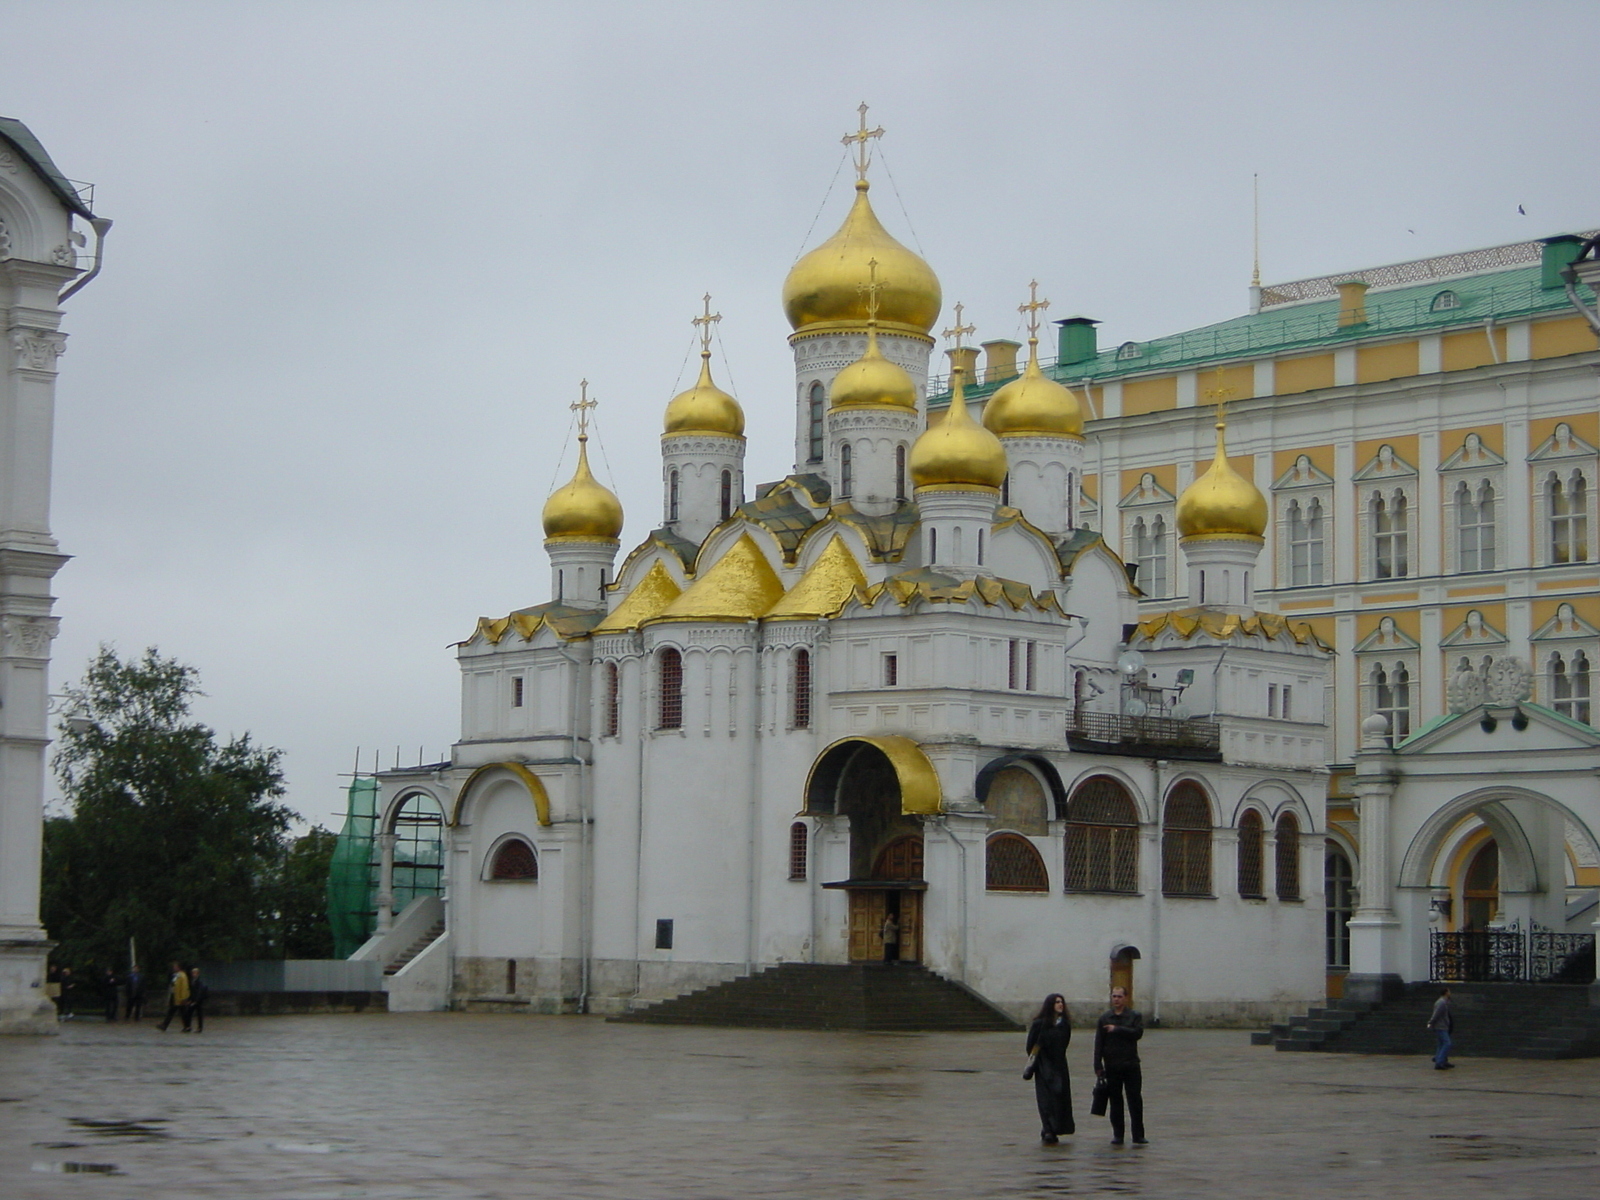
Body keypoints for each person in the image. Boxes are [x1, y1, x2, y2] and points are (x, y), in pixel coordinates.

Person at [1093, 985, 1146, 1146]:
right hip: (1112, 1065)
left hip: (1131, 1064)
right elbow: (1099, 1043)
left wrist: (1117, 1029)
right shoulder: (1105, 1018)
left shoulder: (1134, 1016)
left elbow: (1137, 1033)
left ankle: (1138, 1135)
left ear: (1125, 998)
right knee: (1115, 1102)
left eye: (1119, 996)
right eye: (1114, 996)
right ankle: (1118, 1135)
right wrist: (1098, 1065)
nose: (1116, 999)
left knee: (1135, 1100)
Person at [1025, 993, 1074, 1144]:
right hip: (1043, 1065)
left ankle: (1056, 1126)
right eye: (1057, 1002)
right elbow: (1031, 1046)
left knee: (1059, 1096)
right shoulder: (1039, 1024)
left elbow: (1064, 1044)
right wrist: (1039, 1062)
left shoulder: (1064, 1024)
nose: (1060, 1005)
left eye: (1062, 1002)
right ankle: (1048, 1129)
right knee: (1046, 1099)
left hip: (1059, 1065)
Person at [157, 962, 190, 1032]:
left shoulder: (182, 976)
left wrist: (183, 998)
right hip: (175, 996)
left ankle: (187, 1026)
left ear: (179, 967)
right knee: (175, 1012)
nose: (174, 968)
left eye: (175, 966)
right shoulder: (176, 975)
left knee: (180, 1012)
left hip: (179, 998)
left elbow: (184, 988)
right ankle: (165, 1025)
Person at [1428, 986, 1454, 1069]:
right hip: (1440, 1026)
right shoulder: (1441, 1002)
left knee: (1441, 1044)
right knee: (1447, 1043)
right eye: (1449, 991)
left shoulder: (1444, 1002)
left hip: (1442, 1026)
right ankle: (1439, 1061)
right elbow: (1436, 1014)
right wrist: (1430, 1022)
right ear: (1446, 993)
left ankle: (1440, 1059)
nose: (1450, 993)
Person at [188, 967, 209, 1033]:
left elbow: (199, 992)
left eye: (195, 973)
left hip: (198, 1001)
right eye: (193, 973)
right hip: (193, 1000)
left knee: (199, 1014)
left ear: (198, 974)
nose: (194, 974)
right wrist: (190, 999)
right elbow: (191, 991)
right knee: (189, 1013)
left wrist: (196, 1000)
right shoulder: (192, 981)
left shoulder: (199, 982)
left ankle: (199, 1028)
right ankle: (189, 1026)